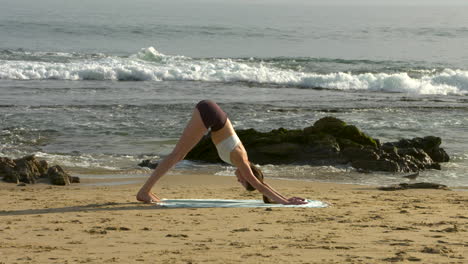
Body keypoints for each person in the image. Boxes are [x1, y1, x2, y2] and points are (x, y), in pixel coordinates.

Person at [136, 100, 307, 205]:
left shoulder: (243, 161)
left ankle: (147, 190)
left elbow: (261, 183)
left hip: (213, 114)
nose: (238, 180)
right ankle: (144, 191)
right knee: (177, 155)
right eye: (242, 181)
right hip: (211, 114)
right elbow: (259, 185)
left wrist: (284, 198)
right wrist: (285, 202)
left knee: (178, 155)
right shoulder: (242, 161)